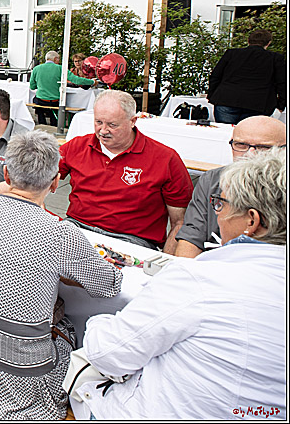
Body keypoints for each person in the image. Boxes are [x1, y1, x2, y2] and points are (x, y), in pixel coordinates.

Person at [0, 130, 123, 421]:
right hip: (18, 376)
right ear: (56, 182)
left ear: (6, 174)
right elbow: (109, 286)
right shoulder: (61, 233)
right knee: (71, 328)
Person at [78, 149, 286, 420]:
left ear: (252, 221)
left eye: (221, 205)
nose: (218, 214)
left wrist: (97, 322)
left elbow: (109, 354)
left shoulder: (199, 279)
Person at [60, 90, 191, 253]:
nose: (103, 130)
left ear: (133, 121)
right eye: (98, 122)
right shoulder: (77, 146)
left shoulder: (165, 159)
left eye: (112, 125)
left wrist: (164, 265)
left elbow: (181, 221)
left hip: (131, 240)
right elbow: (34, 181)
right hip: (78, 228)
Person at [174, 115, 286, 257]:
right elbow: (191, 237)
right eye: (241, 145)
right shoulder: (212, 180)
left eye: (264, 147)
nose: (249, 154)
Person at [207, 28, 286, 125]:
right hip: (258, 103)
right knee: (248, 137)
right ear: (268, 43)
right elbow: (282, 83)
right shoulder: (275, 58)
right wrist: (281, 105)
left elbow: (215, 76)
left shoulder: (232, 53)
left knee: (225, 134)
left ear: (248, 41)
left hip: (226, 99)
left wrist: (212, 96)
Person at [29, 50, 95, 126]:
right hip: (54, 101)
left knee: (37, 101)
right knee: (58, 103)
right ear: (55, 59)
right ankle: (55, 124)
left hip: (41, 100)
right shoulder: (61, 68)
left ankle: (42, 122)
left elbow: (32, 87)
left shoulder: (36, 69)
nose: (59, 61)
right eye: (58, 59)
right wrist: (92, 82)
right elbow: (76, 80)